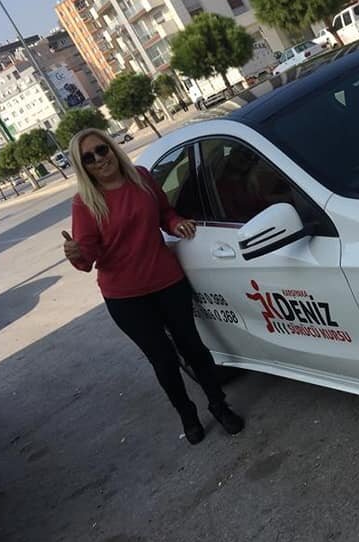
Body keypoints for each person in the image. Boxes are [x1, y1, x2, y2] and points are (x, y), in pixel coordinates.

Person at [61, 127, 244, 445]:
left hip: (167, 282)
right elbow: (87, 258)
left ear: (112, 148)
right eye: (88, 158)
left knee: (194, 348)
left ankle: (219, 405)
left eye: (102, 150)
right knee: (164, 361)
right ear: (83, 167)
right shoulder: (85, 203)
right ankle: (187, 415)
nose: (99, 159)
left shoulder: (141, 178)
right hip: (126, 299)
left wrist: (176, 223)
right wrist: (76, 253)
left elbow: (164, 213)